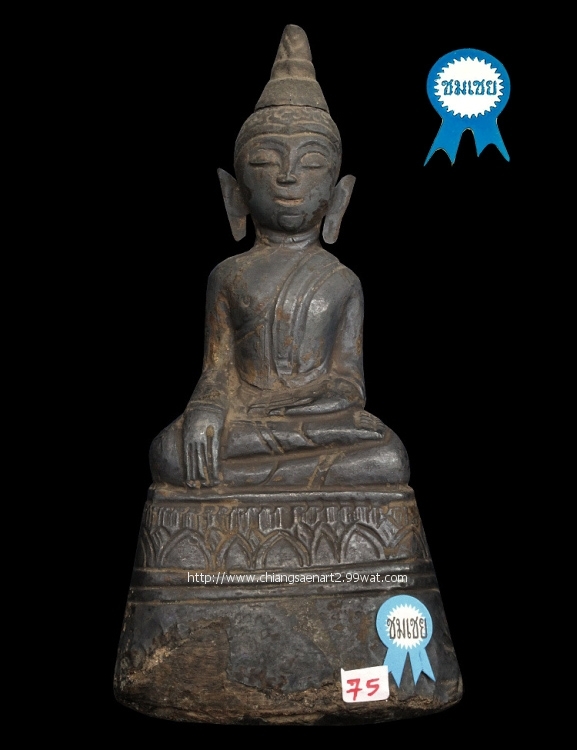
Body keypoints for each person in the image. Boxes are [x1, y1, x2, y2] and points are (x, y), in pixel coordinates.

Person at [150, 25, 409, 491]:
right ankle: (291, 477)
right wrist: (206, 411)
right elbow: (217, 370)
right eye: (265, 162)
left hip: (310, 422)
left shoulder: (342, 280)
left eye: (310, 164)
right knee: (169, 452)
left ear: (339, 196)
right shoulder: (229, 275)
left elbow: (349, 384)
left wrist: (296, 404)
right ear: (234, 193)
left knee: (387, 457)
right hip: (244, 418)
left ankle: (246, 479)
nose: (288, 177)